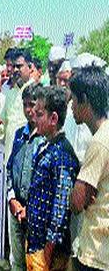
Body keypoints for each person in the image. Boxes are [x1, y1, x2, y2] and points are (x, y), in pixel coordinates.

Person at [26, 86, 79, 270]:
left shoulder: (62, 156)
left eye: (39, 114)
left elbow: (60, 212)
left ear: (53, 118)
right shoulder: (47, 146)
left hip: (49, 253)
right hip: (37, 245)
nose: (33, 116)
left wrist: (47, 257)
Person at [70, 66, 109, 271]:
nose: (71, 106)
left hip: (96, 255)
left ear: (84, 100)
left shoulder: (100, 142)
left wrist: (78, 190)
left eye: (74, 100)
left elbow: (77, 201)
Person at [6, 83, 44, 271]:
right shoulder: (19, 135)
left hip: (36, 212)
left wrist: (31, 208)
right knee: (17, 261)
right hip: (16, 209)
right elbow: (10, 169)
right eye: (25, 105)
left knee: (36, 263)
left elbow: (49, 181)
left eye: (33, 105)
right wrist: (12, 198)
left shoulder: (48, 137)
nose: (29, 110)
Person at [2, 48, 34, 163]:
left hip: (28, 157)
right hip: (9, 155)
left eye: (19, 66)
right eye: (14, 66)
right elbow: (5, 126)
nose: (15, 70)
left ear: (30, 68)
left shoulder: (37, 92)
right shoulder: (10, 92)